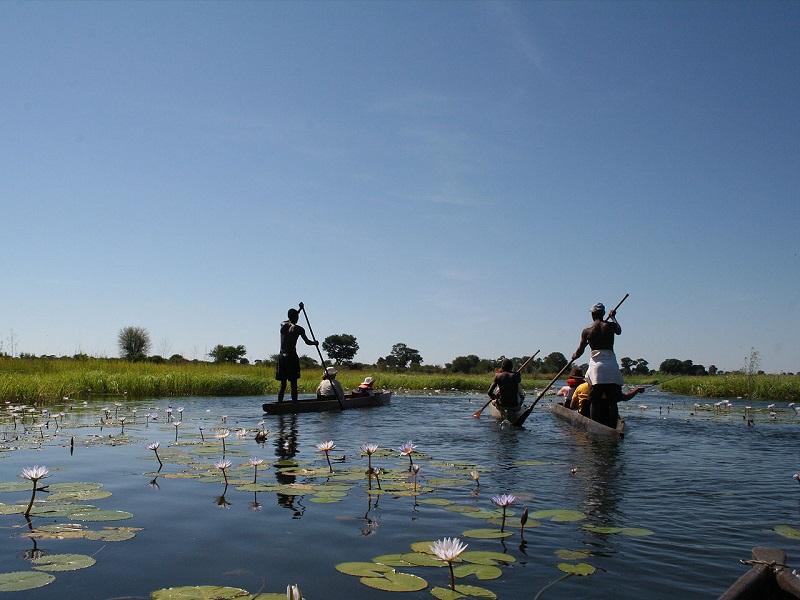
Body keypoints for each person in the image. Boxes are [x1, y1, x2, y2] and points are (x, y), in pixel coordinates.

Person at [572, 302, 625, 427]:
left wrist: (574, 355)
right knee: (612, 401)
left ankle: (595, 426)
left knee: (594, 401)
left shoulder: (587, 330)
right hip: (611, 365)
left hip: (596, 368)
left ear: (592, 314)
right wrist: (612, 317)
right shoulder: (610, 326)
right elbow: (619, 331)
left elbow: (580, 351)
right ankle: (612, 426)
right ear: (602, 314)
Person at [276, 308, 318, 402]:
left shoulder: (283, 325)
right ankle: (292, 404)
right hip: (291, 358)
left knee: (283, 384)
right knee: (293, 383)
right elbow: (307, 342)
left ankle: (282, 404)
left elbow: (290, 319)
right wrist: (315, 343)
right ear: (296, 317)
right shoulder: (299, 329)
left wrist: (299, 310)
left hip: (282, 357)